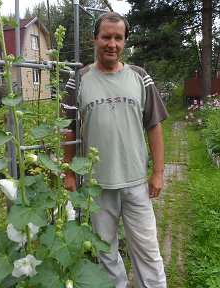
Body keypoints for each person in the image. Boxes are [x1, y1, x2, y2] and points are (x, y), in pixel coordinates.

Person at [62, 12, 168, 288]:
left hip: (136, 182)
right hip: (97, 185)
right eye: (106, 37)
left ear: (125, 42)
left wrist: (157, 173)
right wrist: (69, 173)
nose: (112, 43)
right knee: (105, 251)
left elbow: (154, 127)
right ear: (95, 38)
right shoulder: (79, 79)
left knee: (148, 250)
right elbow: (69, 129)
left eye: (118, 38)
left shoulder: (140, 77)